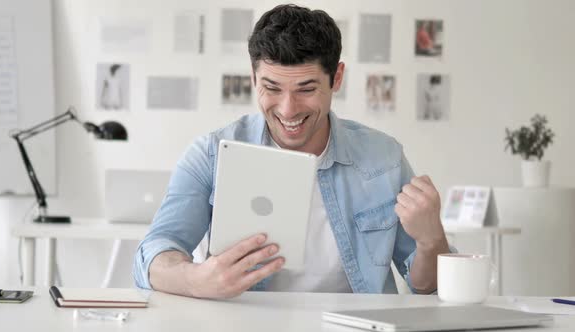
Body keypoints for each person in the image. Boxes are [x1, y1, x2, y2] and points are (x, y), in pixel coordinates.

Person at [133, 4, 452, 299]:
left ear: (336, 78)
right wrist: (196, 279)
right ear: (253, 76)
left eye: (307, 89)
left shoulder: (384, 158)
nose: (288, 110)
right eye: (271, 88)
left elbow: (424, 286)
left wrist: (432, 240)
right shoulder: (211, 154)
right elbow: (154, 254)